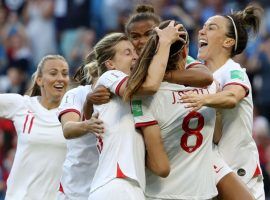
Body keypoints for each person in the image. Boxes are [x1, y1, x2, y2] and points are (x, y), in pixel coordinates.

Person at [85, 21, 183, 200]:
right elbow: (152, 85)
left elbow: (161, 167)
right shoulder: (109, 77)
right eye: (127, 52)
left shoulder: (139, 106)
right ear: (110, 64)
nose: (135, 57)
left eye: (136, 52)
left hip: (131, 187)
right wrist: (165, 42)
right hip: (116, 183)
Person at [124, 20, 218, 200]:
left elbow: (158, 165)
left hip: (160, 194)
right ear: (185, 52)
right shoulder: (210, 90)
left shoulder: (143, 99)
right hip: (204, 193)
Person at [180, 4, 265, 200]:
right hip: (208, 173)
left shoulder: (232, 70)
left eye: (211, 27)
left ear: (228, 41)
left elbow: (232, 97)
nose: (201, 30)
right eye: (203, 26)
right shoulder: (197, 76)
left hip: (238, 168)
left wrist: (204, 99)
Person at [0, 55, 69, 199]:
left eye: (65, 73)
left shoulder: (75, 113)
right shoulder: (22, 105)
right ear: (39, 80)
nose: (60, 78)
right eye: (53, 73)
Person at [57, 54, 110, 200]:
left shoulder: (122, 97)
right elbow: (68, 129)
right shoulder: (76, 94)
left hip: (108, 185)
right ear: (94, 70)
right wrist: (88, 125)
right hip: (75, 188)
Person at [125, 4, 213, 88]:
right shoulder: (124, 61)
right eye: (135, 36)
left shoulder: (174, 56)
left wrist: (160, 74)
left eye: (149, 34)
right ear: (128, 39)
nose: (143, 41)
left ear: (161, 33)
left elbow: (206, 76)